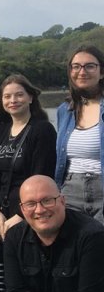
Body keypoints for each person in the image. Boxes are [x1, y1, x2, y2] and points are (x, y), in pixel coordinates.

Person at [0, 74, 56, 239]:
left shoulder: (42, 130)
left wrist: (19, 216)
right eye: (7, 96)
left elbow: (42, 177)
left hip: (30, 216)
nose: (13, 100)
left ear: (30, 98)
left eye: (19, 95)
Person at [55, 44, 104, 224]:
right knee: (73, 247)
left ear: (102, 72)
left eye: (90, 66)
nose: (82, 71)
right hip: (70, 190)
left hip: (102, 188)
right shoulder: (65, 111)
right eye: (76, 66)